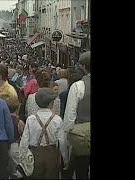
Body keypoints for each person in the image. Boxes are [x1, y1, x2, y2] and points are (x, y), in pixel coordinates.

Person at [19, 88, 68, 179]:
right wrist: (65, 159)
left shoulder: (31, 119)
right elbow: (62, 142)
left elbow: (24, 142)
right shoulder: (57, 120)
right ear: (51, 103)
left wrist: (22, 158)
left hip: (35, 154)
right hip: (52, 154)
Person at [63, 51, 91, 179]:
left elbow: (69, 117)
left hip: (82, 138)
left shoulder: (78, 86)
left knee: (82, 172)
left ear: (84, 67)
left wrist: (67, 143)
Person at [8, 101, 25, 179]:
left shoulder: (5, 120)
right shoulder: (19, 121)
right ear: (17, 109)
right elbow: (22, 132)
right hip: (15, 144)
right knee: (18, 164)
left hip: (5, 145)